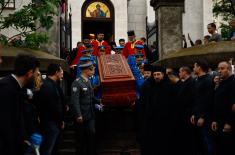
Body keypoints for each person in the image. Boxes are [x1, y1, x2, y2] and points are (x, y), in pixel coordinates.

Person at [0, 54, 40, 155]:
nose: (37, 76)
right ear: (30, 73)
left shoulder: (16, 87)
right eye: (36, 73)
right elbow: (6, 124)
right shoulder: (6, 88)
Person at [139, 66, 176, 155]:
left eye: (158, 74)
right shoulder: (150, 86)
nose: (156, 76)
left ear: (163, 75)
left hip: (165, 121)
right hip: (152, 121)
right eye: (154, 74)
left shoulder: (170, 86)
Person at [35, 64, 67, 155]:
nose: (62, 74)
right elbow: (54, 106)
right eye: (61, 72)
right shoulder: (48, 86)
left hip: (53, 123)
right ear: (56, 72)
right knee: (48, 150)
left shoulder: (53, 84)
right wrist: (61, 121)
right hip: (51, 124)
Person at [71, 61, 101, 155]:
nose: (93, 71)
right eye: (92, 69)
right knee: (81, 139)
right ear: (86, 70)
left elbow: (91, 97)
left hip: (90, 114)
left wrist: (99, 101)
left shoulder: (88, 81)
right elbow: (75, 101)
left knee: (91, 135)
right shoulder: (77, 83)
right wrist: (78, 115)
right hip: (82, 115)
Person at [190, 60, 215, 155]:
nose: (193, 68)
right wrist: (194, 114)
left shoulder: (208, 80)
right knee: (201, 142)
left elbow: (208, 100)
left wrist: (202, 116)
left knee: (208, 141)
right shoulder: (197, 80)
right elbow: (196, 99)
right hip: (197, 114)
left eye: (194, 66)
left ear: (199, 67)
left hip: (205, 117)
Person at [211, 61, 235, 155]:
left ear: (229, 70)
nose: (219, 71)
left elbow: (233, 106)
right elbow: (216, 102)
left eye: (222, 68)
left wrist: (229, 123)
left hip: (228, 123)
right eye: (218, 68)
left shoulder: (233, 83)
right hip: (219, 122)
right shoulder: (221, 83)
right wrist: (215, 120)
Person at [176, 66, 196, 155]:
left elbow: (191, 98)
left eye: (180, 72)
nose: (179, 74)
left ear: (184, 72)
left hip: (188, 113)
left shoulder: (191, 82)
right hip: (183, 113)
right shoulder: (185, 82)